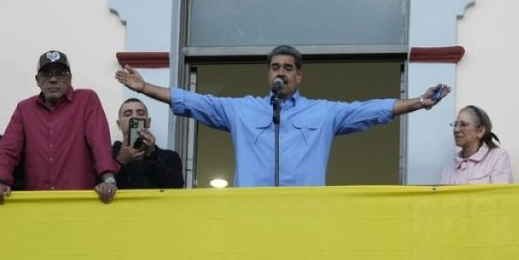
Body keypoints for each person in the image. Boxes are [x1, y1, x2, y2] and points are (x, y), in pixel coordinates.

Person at [115, 45, 450, 187]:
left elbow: (371, 110)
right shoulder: (242, 109)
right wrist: (145, 88)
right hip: (250, 215)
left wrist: (418, 101)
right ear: (268, 74)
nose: (282, 72)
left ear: (299, 76)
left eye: (288, 68)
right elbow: (194, 101)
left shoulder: (322, 113)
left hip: (305, 215)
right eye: (275, 67)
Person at [0, 51, 119, 204]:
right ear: (37, 80)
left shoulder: (87, 100)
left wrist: (108, 178)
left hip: (80, 201)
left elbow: (99, 141)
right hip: (37, 202)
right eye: (47, 74)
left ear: (69, 79)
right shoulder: (25, 109)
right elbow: (8, 150)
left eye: (60, 74)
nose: (53, 79)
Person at [112, 98, 184, 189]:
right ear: (119, 124)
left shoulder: (170, 157)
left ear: (148, 122)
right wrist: (120, 161)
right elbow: (98, 187)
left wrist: (153, 156)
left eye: (140, 113)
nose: (135, 117)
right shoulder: (107, 156)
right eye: (128, 114)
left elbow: (176, 188)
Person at [439, 105, 512, 185]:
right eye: (455, 125)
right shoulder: (448, 169)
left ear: (480, 131)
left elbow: (499, 195)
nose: (456, 129)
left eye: (463, 124)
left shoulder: (498, 157)